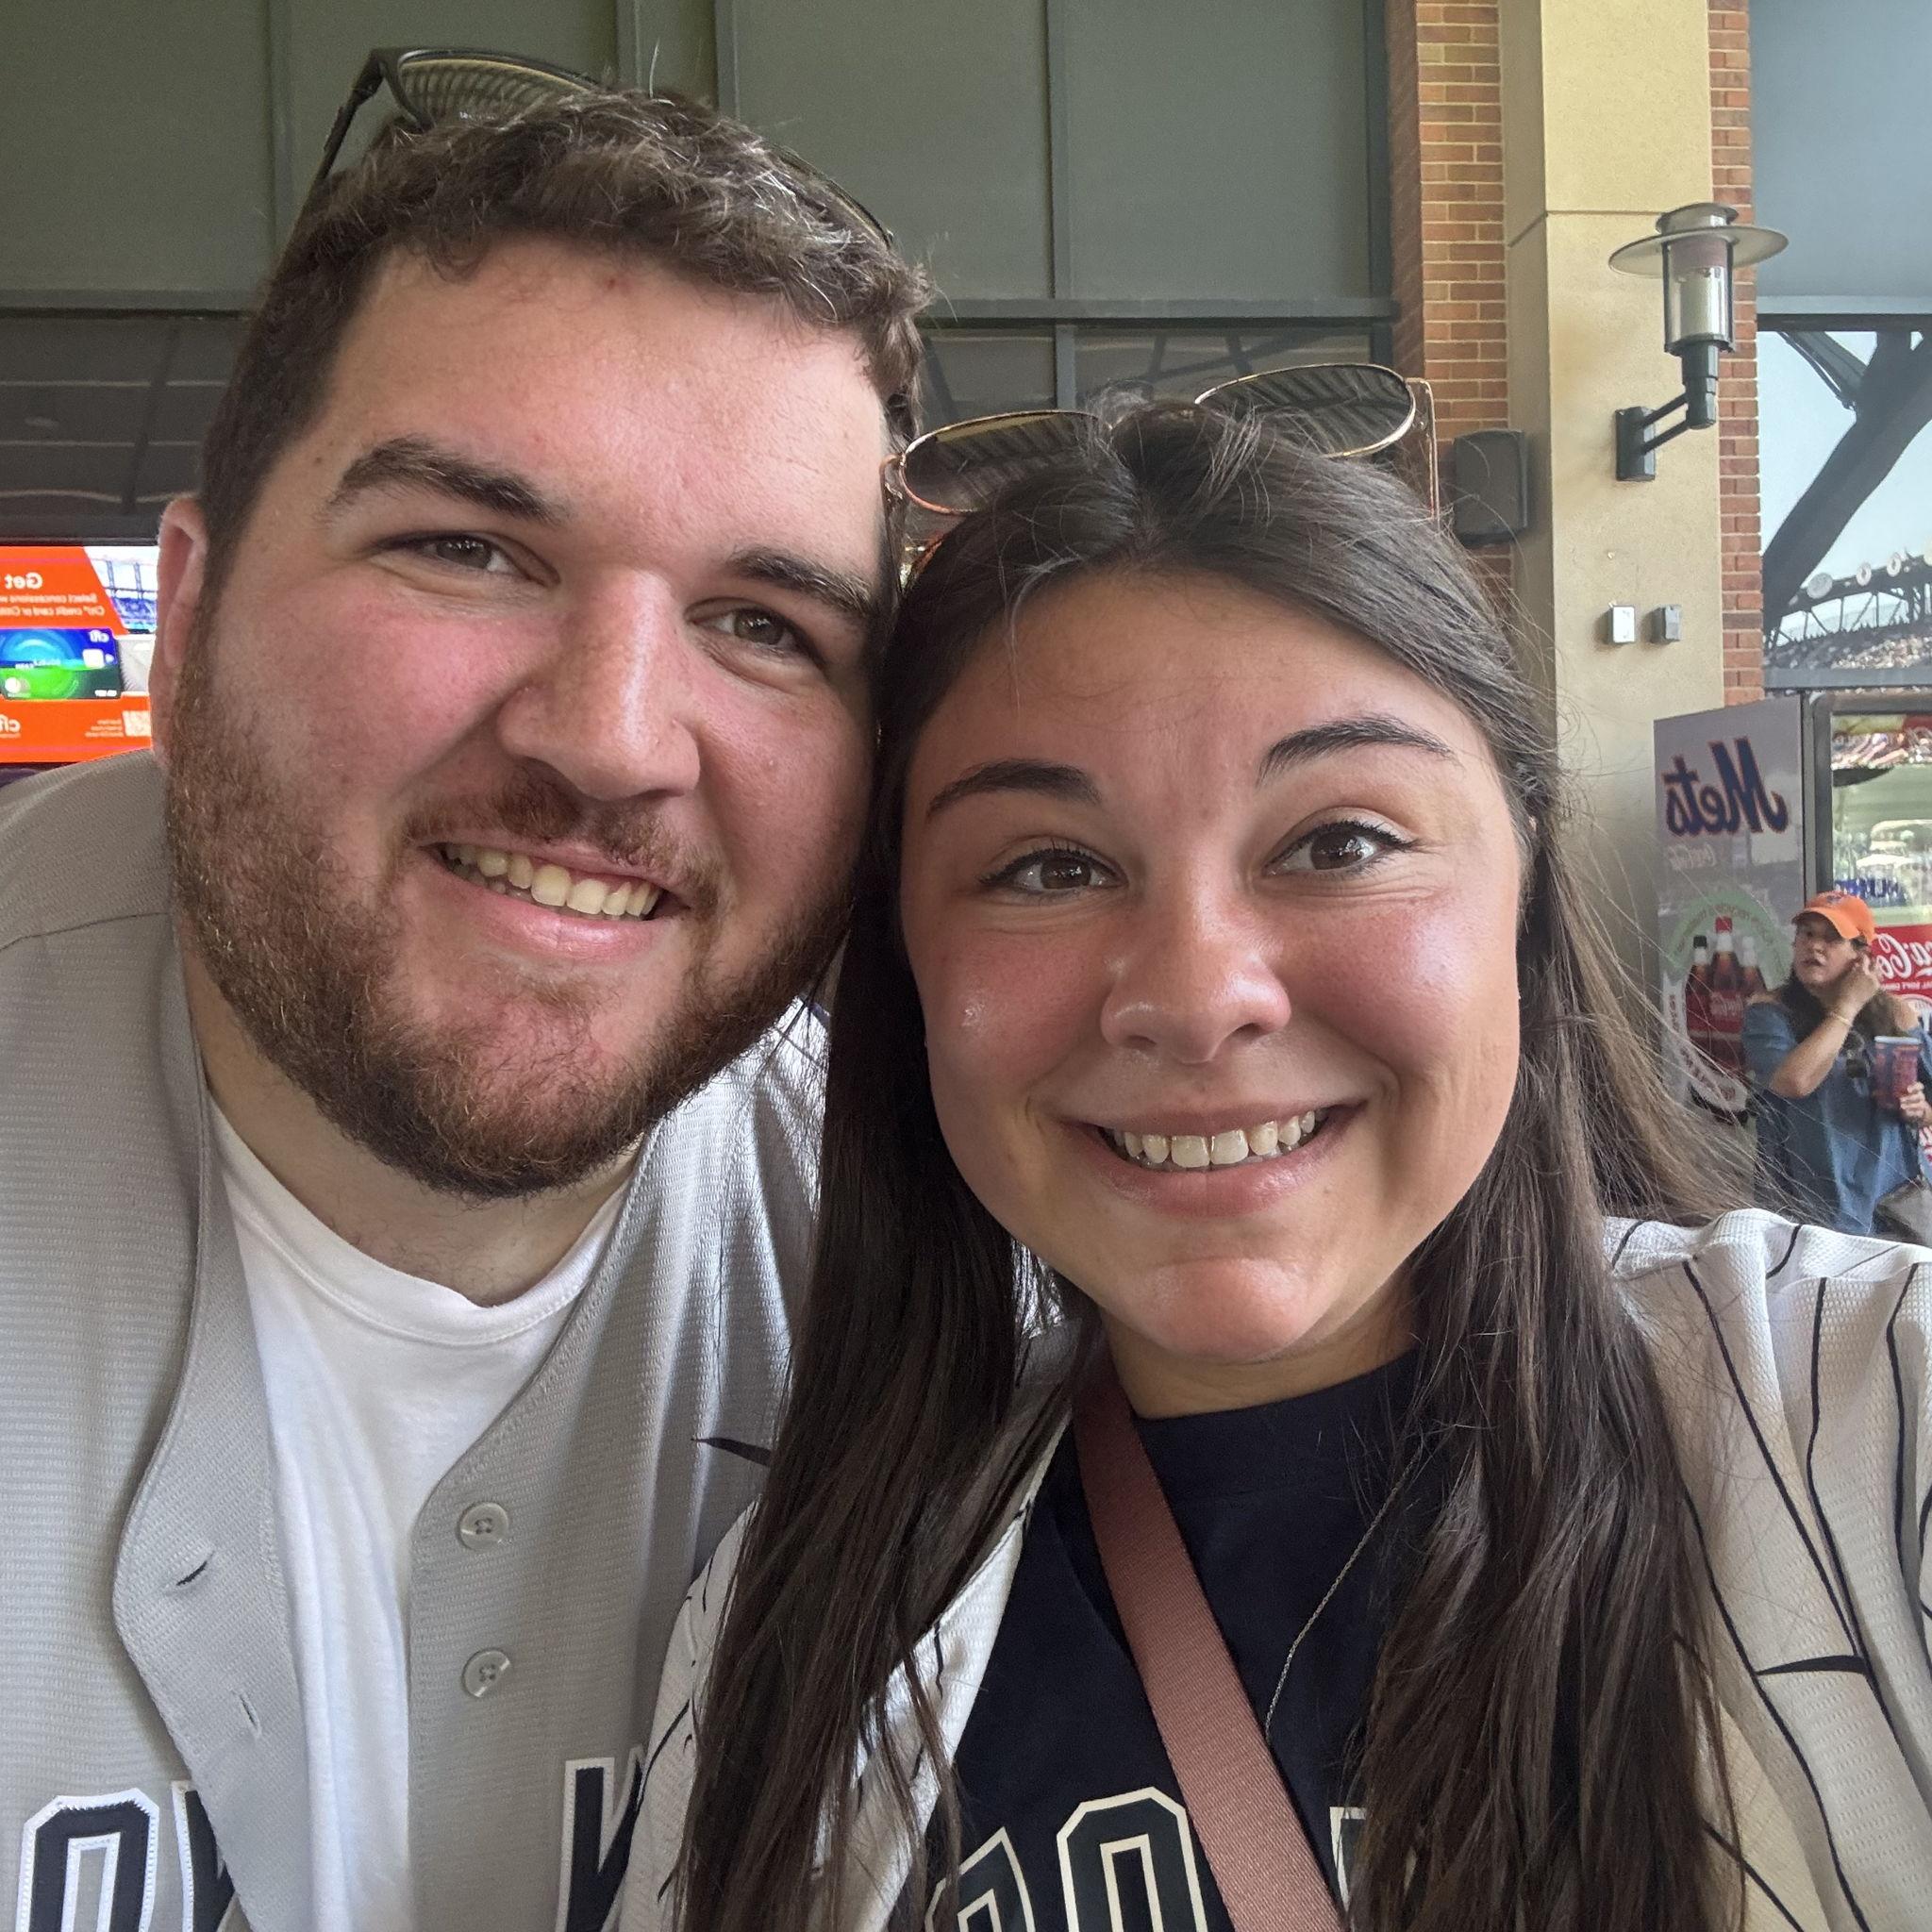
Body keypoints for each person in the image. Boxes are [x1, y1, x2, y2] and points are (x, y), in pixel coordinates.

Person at [626, 405, 1932, 1932]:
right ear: (904, 957)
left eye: (1339, 843)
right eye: (1046, 866)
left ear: (1519, 879)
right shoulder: (784, 1622)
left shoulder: (1866, 1411)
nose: (1196, 998)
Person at [0, 84, 926, 1932]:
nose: (610, 737)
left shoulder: (945, 1298)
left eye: (766, 625)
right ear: (183, 620)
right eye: (466, 549)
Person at [1742, 891, 1932, 1235]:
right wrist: (1847, 1007)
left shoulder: (1896, 1014)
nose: (1814, 946)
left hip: (1893, 1206)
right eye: (1807, 934)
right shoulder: (1769, 1012)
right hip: (1803, 1209)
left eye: (1831, 938)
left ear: (1862, 955)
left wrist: (1920, 1110)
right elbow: (1794, 1082)